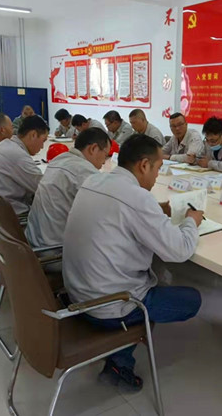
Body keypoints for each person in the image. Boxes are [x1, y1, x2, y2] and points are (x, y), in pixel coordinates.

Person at [62, 134, 204, 391]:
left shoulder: (94, 180)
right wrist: (191, 221)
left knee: (151, 274)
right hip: (108, 306)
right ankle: (120, 362)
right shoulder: (138, 198)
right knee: (191, 300)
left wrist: (157, 210)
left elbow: (122, 212)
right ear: (144, 165)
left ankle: (119, 355)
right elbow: (179, 250)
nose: (157, 176)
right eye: (157, 168)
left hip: (76, 293)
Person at [26, 128, 111, 248]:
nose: (104, 162)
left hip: (34, 241)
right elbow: (106, 216)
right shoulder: (84, 171)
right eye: (105, 155)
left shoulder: (59, 160)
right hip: (55, 250)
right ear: (93, 148)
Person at [0, 115, 48, 215]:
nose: (42, 147)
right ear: (33, 135)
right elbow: (45, 189)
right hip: (11, 217)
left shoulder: (5, 145)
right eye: (43, 140)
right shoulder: (18, 155)